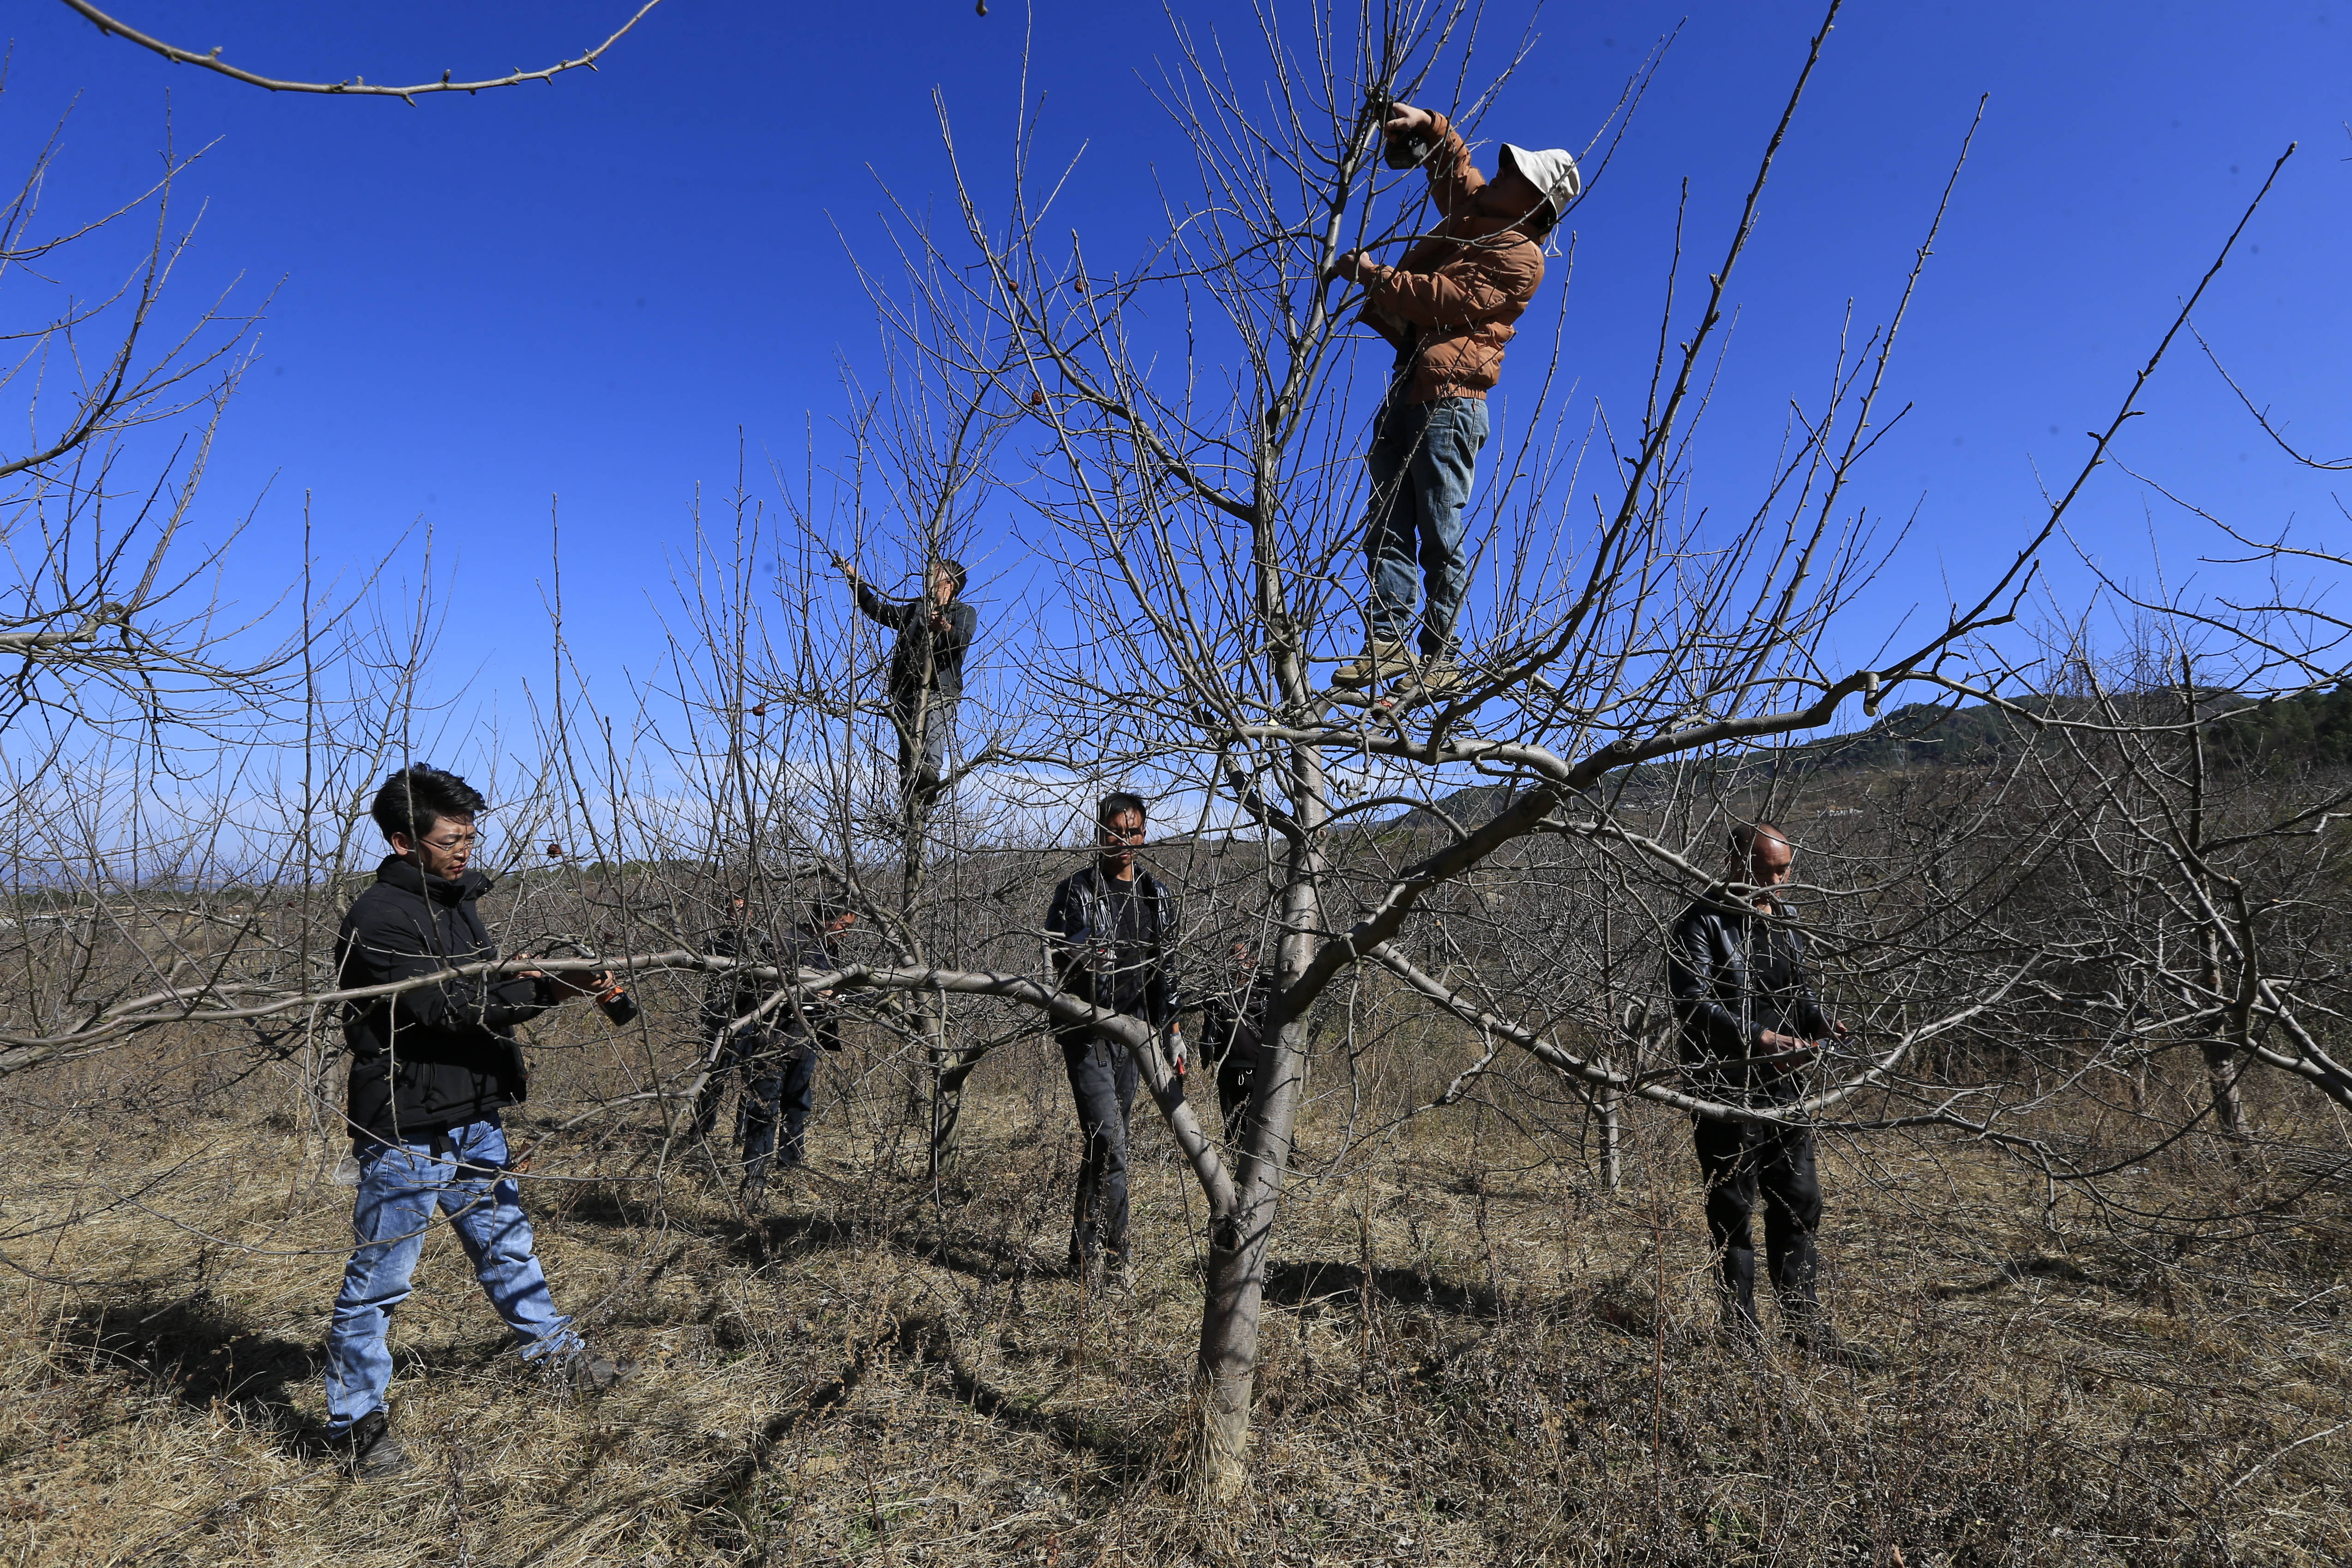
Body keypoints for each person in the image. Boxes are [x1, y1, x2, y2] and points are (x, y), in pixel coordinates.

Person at [324, 765, 632, 1482]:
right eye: (449, 839)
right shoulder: (378, 918)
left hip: (471, 1113)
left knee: (507, 1244)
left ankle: (557, 1357)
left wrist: (551, 979)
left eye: (469, 836)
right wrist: (544, 988)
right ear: (404, 841)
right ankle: (355, 1425)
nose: (464, 850)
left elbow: (483, 987)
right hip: (405, 1124)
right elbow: (447, 1008)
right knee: (380, 1280)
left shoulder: (458, 903)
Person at [1328, 103, 1581, 697]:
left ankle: (1442, 656)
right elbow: (1452, 167)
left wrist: (1372, 275)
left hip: (1450, 403)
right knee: (1387, 518)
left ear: (1534, 202)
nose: (1501, 174)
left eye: (1515, 174)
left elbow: (1444, 299)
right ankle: (1386, 641)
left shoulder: (1522, 257)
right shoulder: (1482, 214)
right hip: (1410, 382)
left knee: (1440, 531)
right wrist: (1428, 125)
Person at [1666, 822, 1876, 1368]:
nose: (1781, 880)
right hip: (1725, 1085)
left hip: (1783, 1086)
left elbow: (1798, 990)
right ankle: (1742, 1333)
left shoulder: (1782, 920)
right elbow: (1691, 1001)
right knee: (1733, 1208)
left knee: (1800, 1199)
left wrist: (1818, 1019)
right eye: (1770, 869)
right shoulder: (1699, 922)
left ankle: (1804, 1325)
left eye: (1786, 869)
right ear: (1738, 863)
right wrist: (1754, 1036)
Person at [1045, 791, 1185, 1281]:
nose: (1124, 841)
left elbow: (1165, 971)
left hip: (1135, 1035)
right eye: (1115, 831)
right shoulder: (1078, 890)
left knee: (1105, 1145)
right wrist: (1085, 955)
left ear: (1144, 835)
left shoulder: (1156, 894)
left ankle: (1082, 1255)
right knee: (1110, 1139)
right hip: (1086, 1031)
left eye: (1133, 832)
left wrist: (1173, 1031)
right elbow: (1060, 946)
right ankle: (1115, 1258)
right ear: (1099, 832)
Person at [693, 898, 856, 1206]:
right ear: (824, 919)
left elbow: (840, 989)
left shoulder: (832, 949)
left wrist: (836, 996)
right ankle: (754, 1183)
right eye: (843, 927)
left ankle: (791, 1168)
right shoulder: (782, 941)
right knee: (763, 1110)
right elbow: (760, 990)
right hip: (771, 1040)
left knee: (798, 1105)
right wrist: (811, 994)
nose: (846, 934)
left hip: (806, 1038)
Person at [841, 555, 978, 814]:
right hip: (905, 690)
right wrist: (855, 580)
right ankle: (910, 811)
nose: (929, 574)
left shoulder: (963, 612)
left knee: (931, 745)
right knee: (907, 758)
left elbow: (961, 642)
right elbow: (877, 610)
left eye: (936, 571)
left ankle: (926, 791)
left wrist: (945, 627)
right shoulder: (915, 609)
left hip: (940, 691)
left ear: (949, 582)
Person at [1199, 939, 1274, 1149]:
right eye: (1232, 955)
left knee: (1265, 1119)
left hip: (1262, 1068)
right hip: (1230, 1069)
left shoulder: (1265, 989)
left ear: (1253, 960)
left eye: (1241, 956)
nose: (1236, 961)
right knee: (1233, 1122)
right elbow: (1208, 1023)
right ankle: (1235, 1161)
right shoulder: (1218, 991)